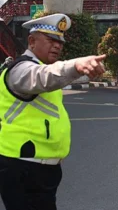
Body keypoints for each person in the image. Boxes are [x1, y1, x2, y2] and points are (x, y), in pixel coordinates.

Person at [0, 13, 106, 210]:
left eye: (60, 42)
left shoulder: (40, 66)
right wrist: (74, 65)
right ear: (31, 41)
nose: (58, 46)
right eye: (51, 40)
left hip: (42, 168)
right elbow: (43, 77)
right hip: (23, 167)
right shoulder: (20, 69)